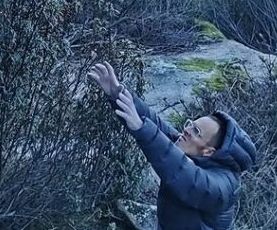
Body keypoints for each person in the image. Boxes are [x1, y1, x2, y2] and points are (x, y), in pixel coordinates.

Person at [89, 62, 256, 230]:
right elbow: (156, 124)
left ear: (208, 151)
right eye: (191, 124)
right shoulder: (190, 149)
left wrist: (142, 129)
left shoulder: (223, 189)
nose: (186, 130)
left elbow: (188, 177)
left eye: (196, 131)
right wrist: (117, 92)